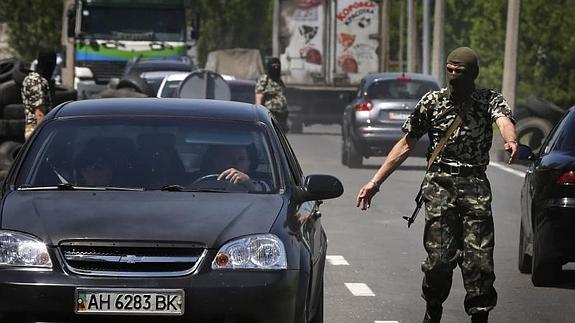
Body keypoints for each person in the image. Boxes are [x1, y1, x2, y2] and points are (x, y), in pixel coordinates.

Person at [356, 47, 518, 323]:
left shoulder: (489, 99)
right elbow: (406, 143)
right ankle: (433, 307)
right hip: (440, 186)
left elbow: (503, 120)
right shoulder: (432, 101)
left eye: (460, 71)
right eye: (450, 70)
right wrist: (375, 182)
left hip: (475, 186)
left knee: (479, 261)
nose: (454, 75)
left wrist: (510, 139)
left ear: (473, 74)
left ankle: (480, 315)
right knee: (439, 260)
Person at [200, 144, 270, 192]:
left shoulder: (264, 185)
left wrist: (250, 186)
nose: (236, 163)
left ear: (249, 163)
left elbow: (268, 198)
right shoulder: (195, 181)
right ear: (216, 161)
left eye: (241, 159)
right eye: (229, 158)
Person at [21, 49, 57, 140]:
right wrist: (43, 136)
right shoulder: (36, 81)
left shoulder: (29, 78)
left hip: (34, 130)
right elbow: (39, 113)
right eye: (52, 64)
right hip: (36, 130)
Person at [255, 57, 289, 132]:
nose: (276, 68)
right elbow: (259, 97)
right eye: (274, 66)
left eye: (278, 66)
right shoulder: (264, 79)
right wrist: (259, 115)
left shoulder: (279, 81)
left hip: (282, 116)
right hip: (270, 115)